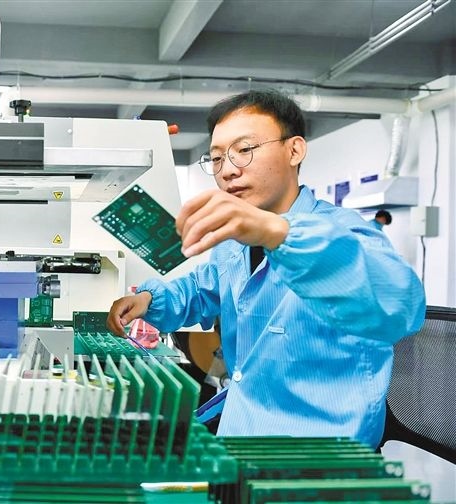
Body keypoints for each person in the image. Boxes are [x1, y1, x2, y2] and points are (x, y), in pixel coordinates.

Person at [106, 89, 425, 448]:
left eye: (244, 150)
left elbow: (401, 306)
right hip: (240, 433)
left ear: (295, 150)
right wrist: (151, 299)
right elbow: (203, 286)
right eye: (216, 158)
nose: (228, 170)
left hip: (317, 454)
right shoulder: (236, 241)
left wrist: (279, 234)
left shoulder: (345, 231)